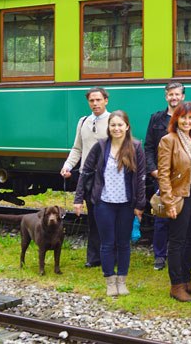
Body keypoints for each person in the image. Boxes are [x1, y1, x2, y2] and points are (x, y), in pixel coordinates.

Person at [75, 111, 146, 297]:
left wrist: (140, 204)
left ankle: (122, 281)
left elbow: (140, 178)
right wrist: (78, 199)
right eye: (113, 125)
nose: (116, 128)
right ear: (109, 127)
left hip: (126, 204)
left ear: (127, 127)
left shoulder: (136, 147)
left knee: (123, 243)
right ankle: (110, 281)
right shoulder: (100, 146)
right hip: (103, 203)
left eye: (120, 125)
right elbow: (86, 172)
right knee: (107, 243)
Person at [157, 101, 191, 302]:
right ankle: (176, 285)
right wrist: (169, 202)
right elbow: (163, 174)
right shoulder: (168, 140)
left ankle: (186, 280)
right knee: (178, 241)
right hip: (179, 196)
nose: (187, 121)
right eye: (183, 117)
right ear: (176, 118)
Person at [61, 87, 110, 268]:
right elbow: (77, 149)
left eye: (98, 100)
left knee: (108, 218)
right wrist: (67, 166)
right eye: (92, 100)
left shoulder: (114, 121)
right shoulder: (83, 122)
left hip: (108, 178)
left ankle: (109, 256)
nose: (95, 103)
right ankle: (94, 257)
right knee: (94, 219)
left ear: (106, 100)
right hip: (89, 177)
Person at [144, 82, 185, 271]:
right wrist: (153, 170)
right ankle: (160, 256)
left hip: (183, 177)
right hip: (161, 176)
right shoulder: (156, 119)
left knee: (183, 218)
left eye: (177, 94)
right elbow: (149, 147)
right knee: (161, 217)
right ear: (165, 96)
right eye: (171, 94)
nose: (174, 97)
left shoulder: (188, 118)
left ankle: (182, 254)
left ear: (182, 96)